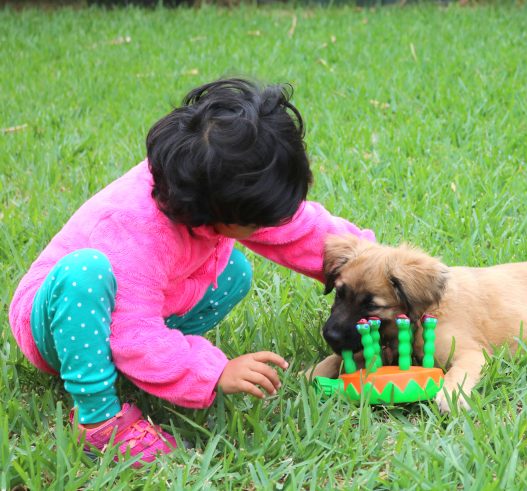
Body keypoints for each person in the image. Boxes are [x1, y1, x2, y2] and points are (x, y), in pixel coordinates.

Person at [9, 78, 374, 466]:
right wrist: (213, 371)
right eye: (258, 222)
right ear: (221, 213)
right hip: (57, 321)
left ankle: (152, 364)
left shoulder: (211, 184)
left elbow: (297, 228)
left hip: (136, 305)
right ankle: (100, 421)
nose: (271, 225)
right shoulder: (135, 230)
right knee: (87, 272)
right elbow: (131, 331)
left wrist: (370, 260)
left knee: (232, 270)